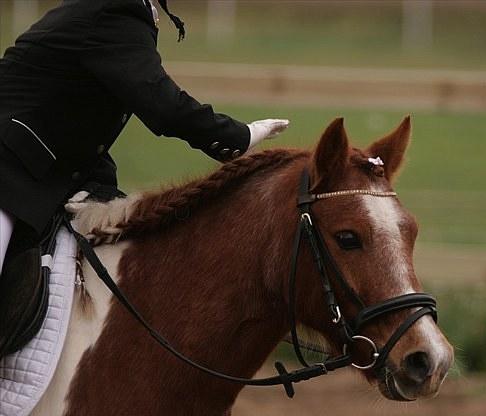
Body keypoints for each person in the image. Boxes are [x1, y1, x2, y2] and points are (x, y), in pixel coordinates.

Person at [0, 0, 289, 275]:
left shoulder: (124, 10)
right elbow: (162, 104)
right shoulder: (114, 10)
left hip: (35, 166)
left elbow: (80, 118)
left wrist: (100, 187)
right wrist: (239, 136)